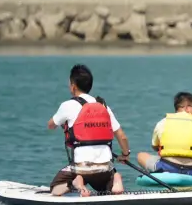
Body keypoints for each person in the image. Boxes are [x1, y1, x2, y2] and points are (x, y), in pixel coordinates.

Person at [47, 64, 130, 197]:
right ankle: (115, 179)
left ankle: (77, 183)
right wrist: (125, 155)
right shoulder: (102, 106)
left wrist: (63, 123)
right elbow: (122, 136)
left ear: (73, 86)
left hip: (81, 166)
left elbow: (51, 125)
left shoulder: (68, 105)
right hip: (105, 168)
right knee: (107, 188)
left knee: (55, 188)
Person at [136, 92, 192, 176]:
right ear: (187, 108)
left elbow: (155, 147)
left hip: (167, 167)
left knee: (141, 155)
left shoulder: (162, 122)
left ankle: (160, 173)